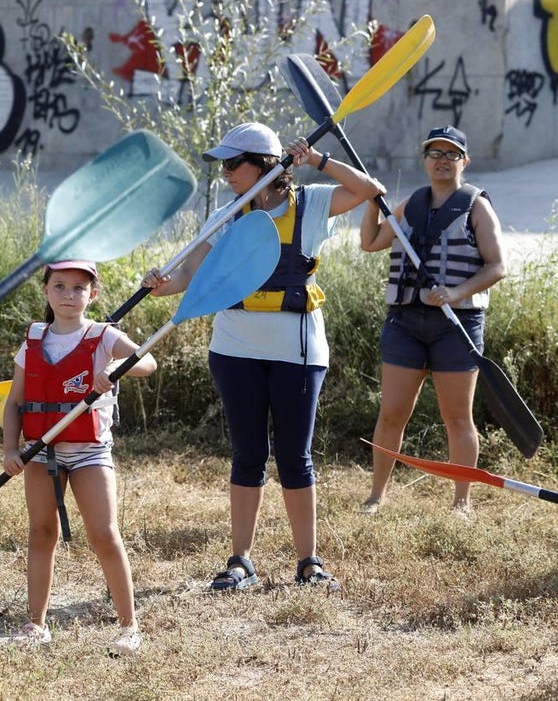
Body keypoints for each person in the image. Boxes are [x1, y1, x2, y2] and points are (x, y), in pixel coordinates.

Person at [141, 122, 384, 591]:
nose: (226, 173)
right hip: (235, 349)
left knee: (295, 457)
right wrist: (159, 286)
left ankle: (309, 562)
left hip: (298, 350)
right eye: (224, 165)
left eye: (235, 163)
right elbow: (190, 274)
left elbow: (368, 190)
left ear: (267, 165)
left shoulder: (311, 203)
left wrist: (317, 159)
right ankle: (240, 562)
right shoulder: (228, 214)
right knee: (248, 454)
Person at [0, 260, 156, 657]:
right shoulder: (33, 340)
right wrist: (10, 448)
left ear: (93, 295)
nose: (69, 295)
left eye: (79, 288)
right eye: (60, 286)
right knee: (41, 533)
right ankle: (36, 624)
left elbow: (148, 362)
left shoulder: (104, 336)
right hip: (40, 452)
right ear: (46, 291)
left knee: (104, 534)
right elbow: (15, 402)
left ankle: (129, 627)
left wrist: (117, 367)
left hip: (90, 452)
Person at [359, 126, 505, 516]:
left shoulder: (476, 206)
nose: (442, 160)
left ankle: (462, 502)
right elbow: (370, 242)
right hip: (405, 321)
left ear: (464, 161)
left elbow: (497, 266)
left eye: (452, 154)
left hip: (456, 325)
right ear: (424, 160)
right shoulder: (411, 204)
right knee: (391, 414)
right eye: (435, 153)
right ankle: (376, 496)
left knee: (456, 417)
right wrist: (373, 202)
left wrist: (456, 293)